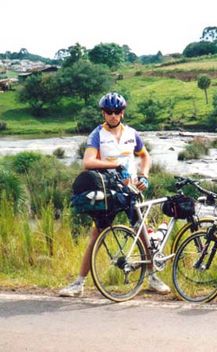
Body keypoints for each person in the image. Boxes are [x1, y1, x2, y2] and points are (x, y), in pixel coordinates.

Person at [59, 92, 170, 297]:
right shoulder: (97, 134)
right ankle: (78, 283)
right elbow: (88, 162)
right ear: (103, 113)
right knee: (97, 234)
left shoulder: (132, 134)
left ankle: (152, 277)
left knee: (142, 232)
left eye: (116, 111)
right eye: (109, 112)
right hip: (108, 191)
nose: (113, 115)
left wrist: (144, 175)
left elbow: (145, 156)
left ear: (122, 113)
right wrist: (116, 164)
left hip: (131, 191)